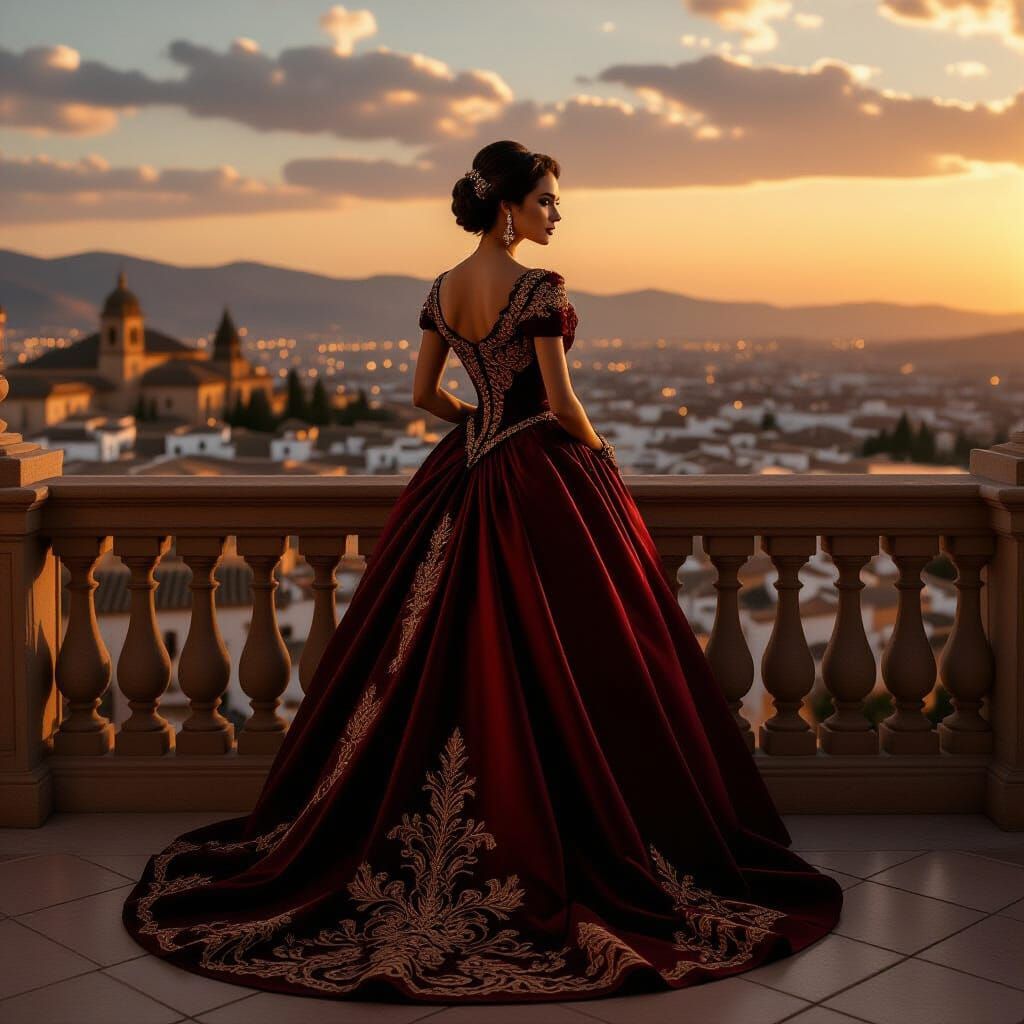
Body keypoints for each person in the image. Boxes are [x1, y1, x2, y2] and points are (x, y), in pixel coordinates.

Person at [122, 140, 843, 1005]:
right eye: (546, 202)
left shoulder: (440, 289)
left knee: (427, 658)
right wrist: (594, 448)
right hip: (539, 474)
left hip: (464, 473)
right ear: (508, 208)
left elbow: (426, 396)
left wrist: (478, 422)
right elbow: (563, 397)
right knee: (582, 646)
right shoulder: (540, 288)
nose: (556, 215)